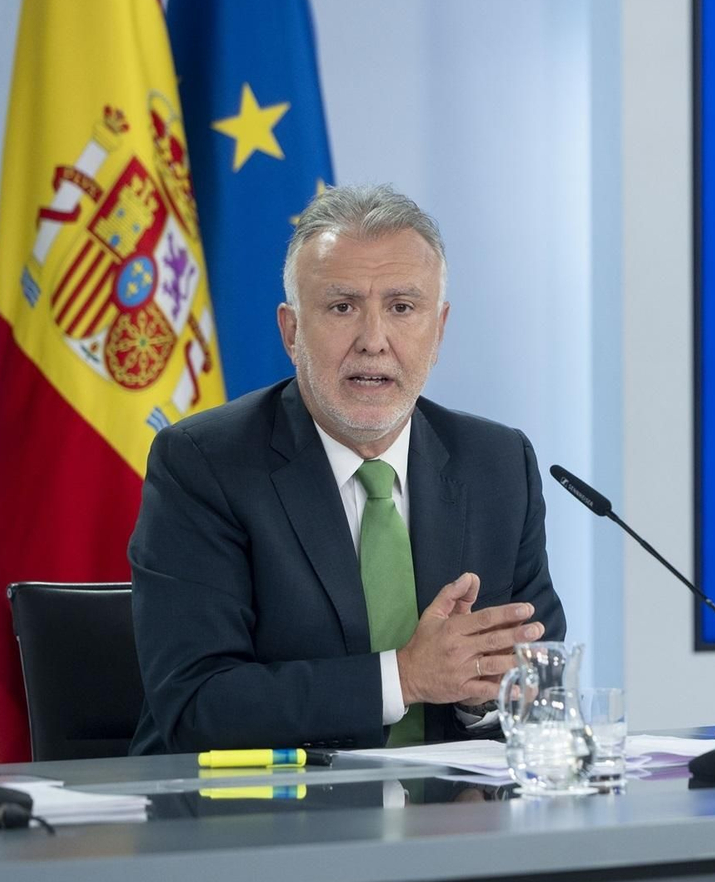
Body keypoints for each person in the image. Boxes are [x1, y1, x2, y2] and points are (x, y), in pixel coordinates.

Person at [129, 184, 566, 754]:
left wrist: (480, 694)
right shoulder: (204, 465)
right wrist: (404, 677)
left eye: (402, 308)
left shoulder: (498, 464)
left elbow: (540, 677)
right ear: (291, 332)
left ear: (439, 331)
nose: (373, 341)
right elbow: (197, 705)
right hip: (258, 825)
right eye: (342, 307)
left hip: (447, 825)